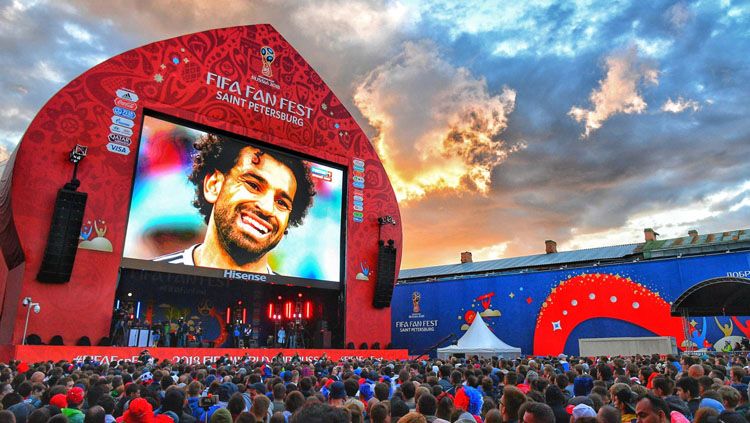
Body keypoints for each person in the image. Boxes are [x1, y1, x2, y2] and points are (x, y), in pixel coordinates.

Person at [154, 134, 316, 274]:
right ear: (213, 185)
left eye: (281, 202)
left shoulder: (292, 295)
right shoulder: (152, 274)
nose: (267, 208)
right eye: (253, 185)